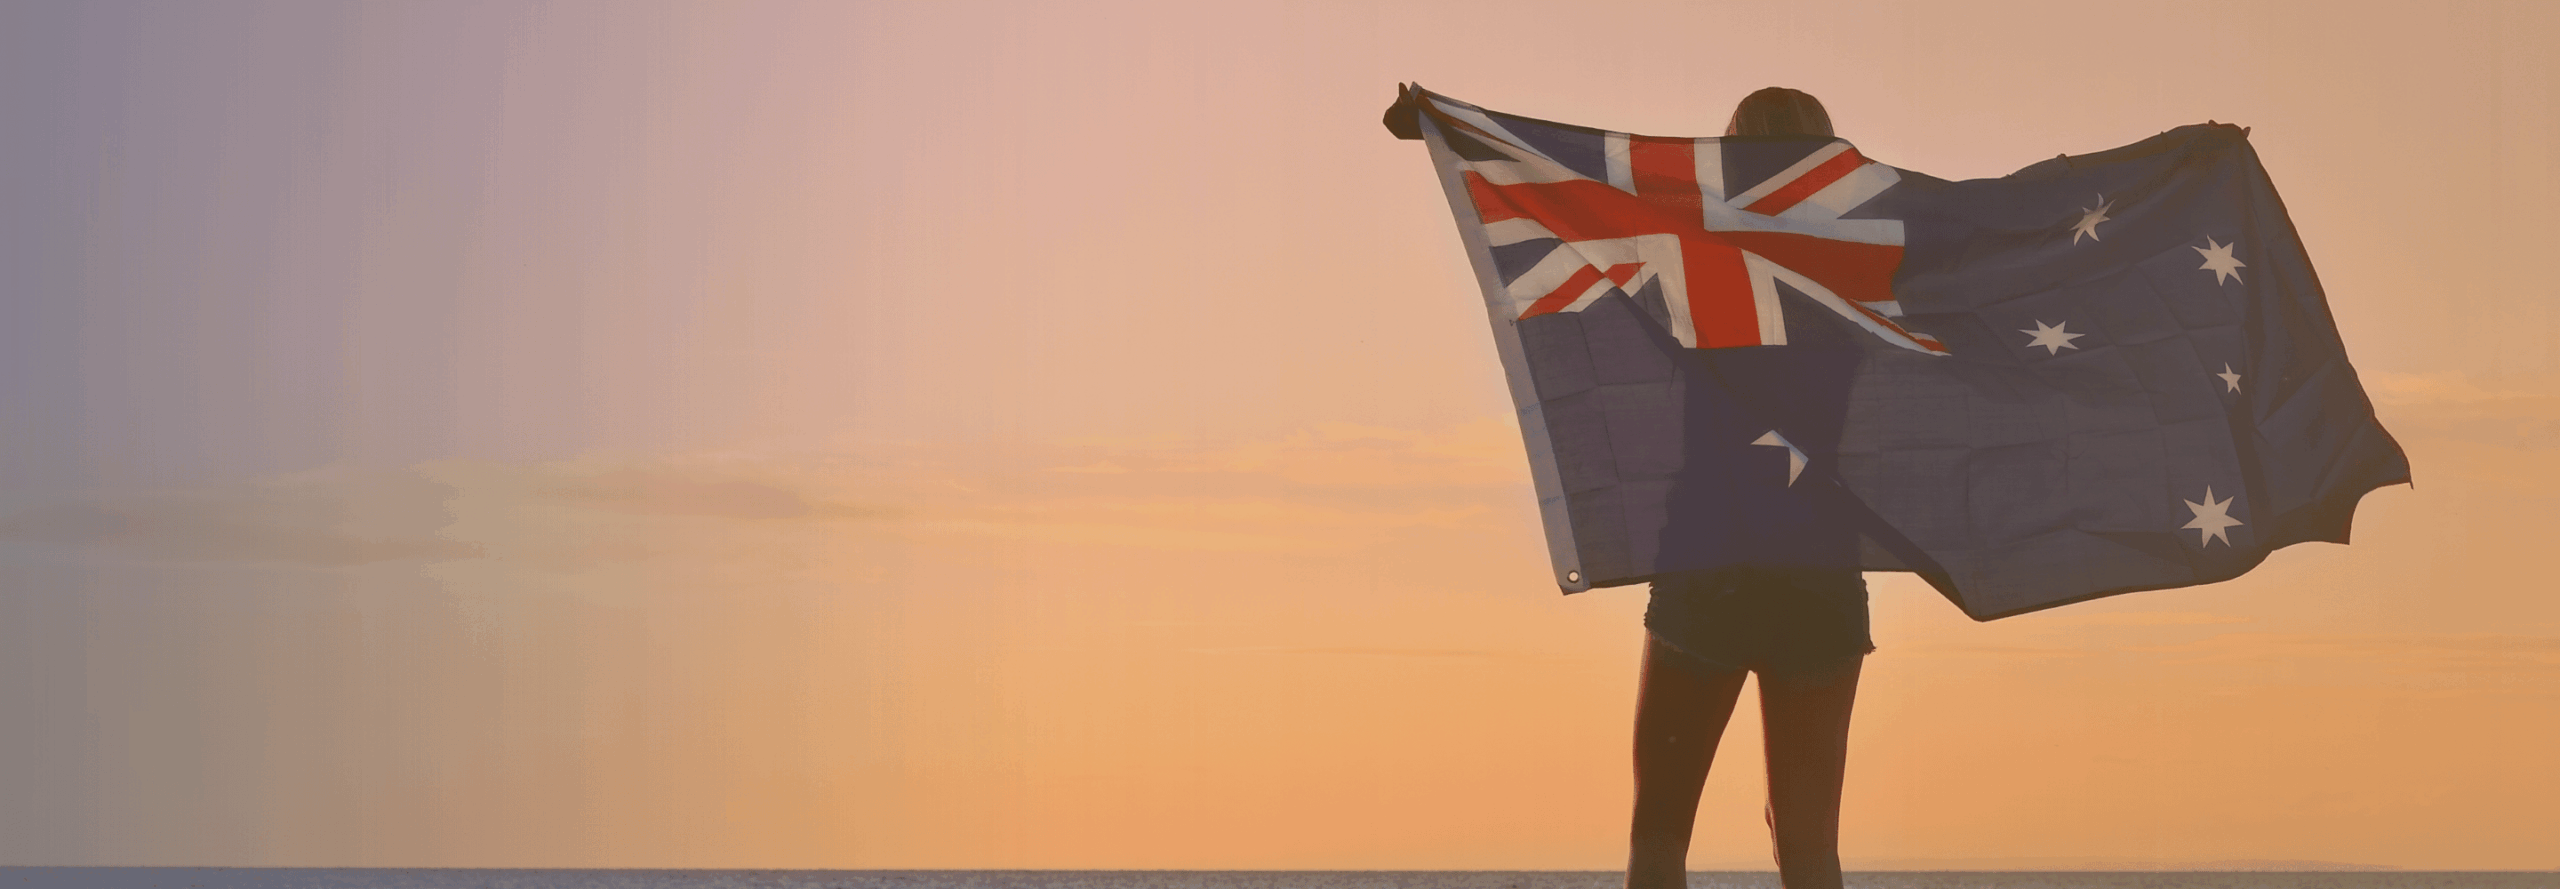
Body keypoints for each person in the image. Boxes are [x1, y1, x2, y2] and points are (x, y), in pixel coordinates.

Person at [1624, 87, 1870, 889]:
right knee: (1807, 845)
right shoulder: (1861, 277)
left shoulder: (1692, 256)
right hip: (1818, 567)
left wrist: (1450, 132)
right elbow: (2007, 253)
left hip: (1709, 557)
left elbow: (1569, 212)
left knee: (1660, 831)